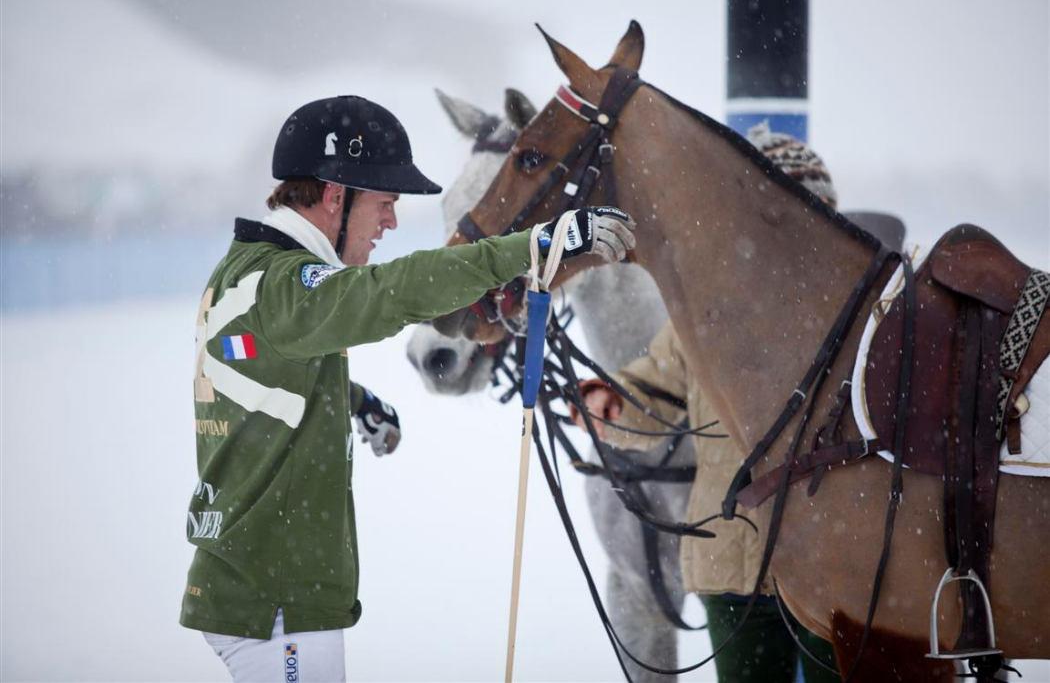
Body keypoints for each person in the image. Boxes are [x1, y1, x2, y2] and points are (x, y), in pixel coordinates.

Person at [180, 95, 635, 682]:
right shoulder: (288, 284)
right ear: (336, 196)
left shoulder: (246, 270)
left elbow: (255, 368)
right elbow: (392, 290)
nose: (391, 223)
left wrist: (352, 401)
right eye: (386, 203)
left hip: (250, 584)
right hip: (277, 608)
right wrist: (535, 246)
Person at [573, 122, 844, 683]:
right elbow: (658, 386)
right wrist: (613, 403)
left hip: (835, 565)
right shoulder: (707, 313)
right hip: (732, 564)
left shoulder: (859, 312)